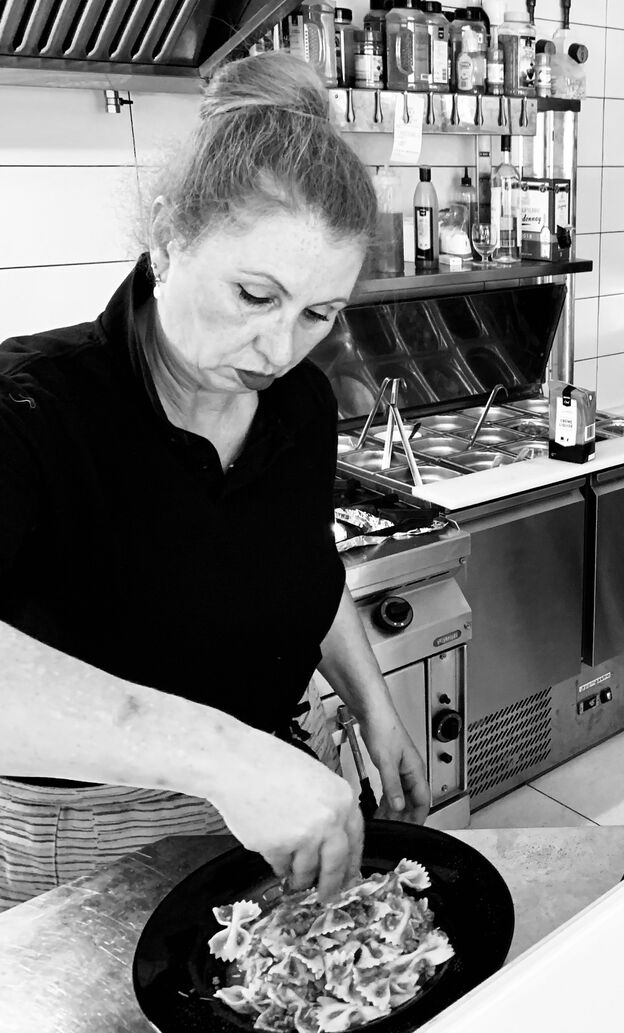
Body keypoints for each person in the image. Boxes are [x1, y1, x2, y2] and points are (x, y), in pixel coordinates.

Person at [0, 53, 429, 910]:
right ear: (168, 237)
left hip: (270, 799)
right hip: (84, 834)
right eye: (253, 295)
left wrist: (373, 703)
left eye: (319, 314)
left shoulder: (299, 403)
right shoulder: (33, 409)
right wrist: (229, 757)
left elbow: (300, 560)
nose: (280, 351)